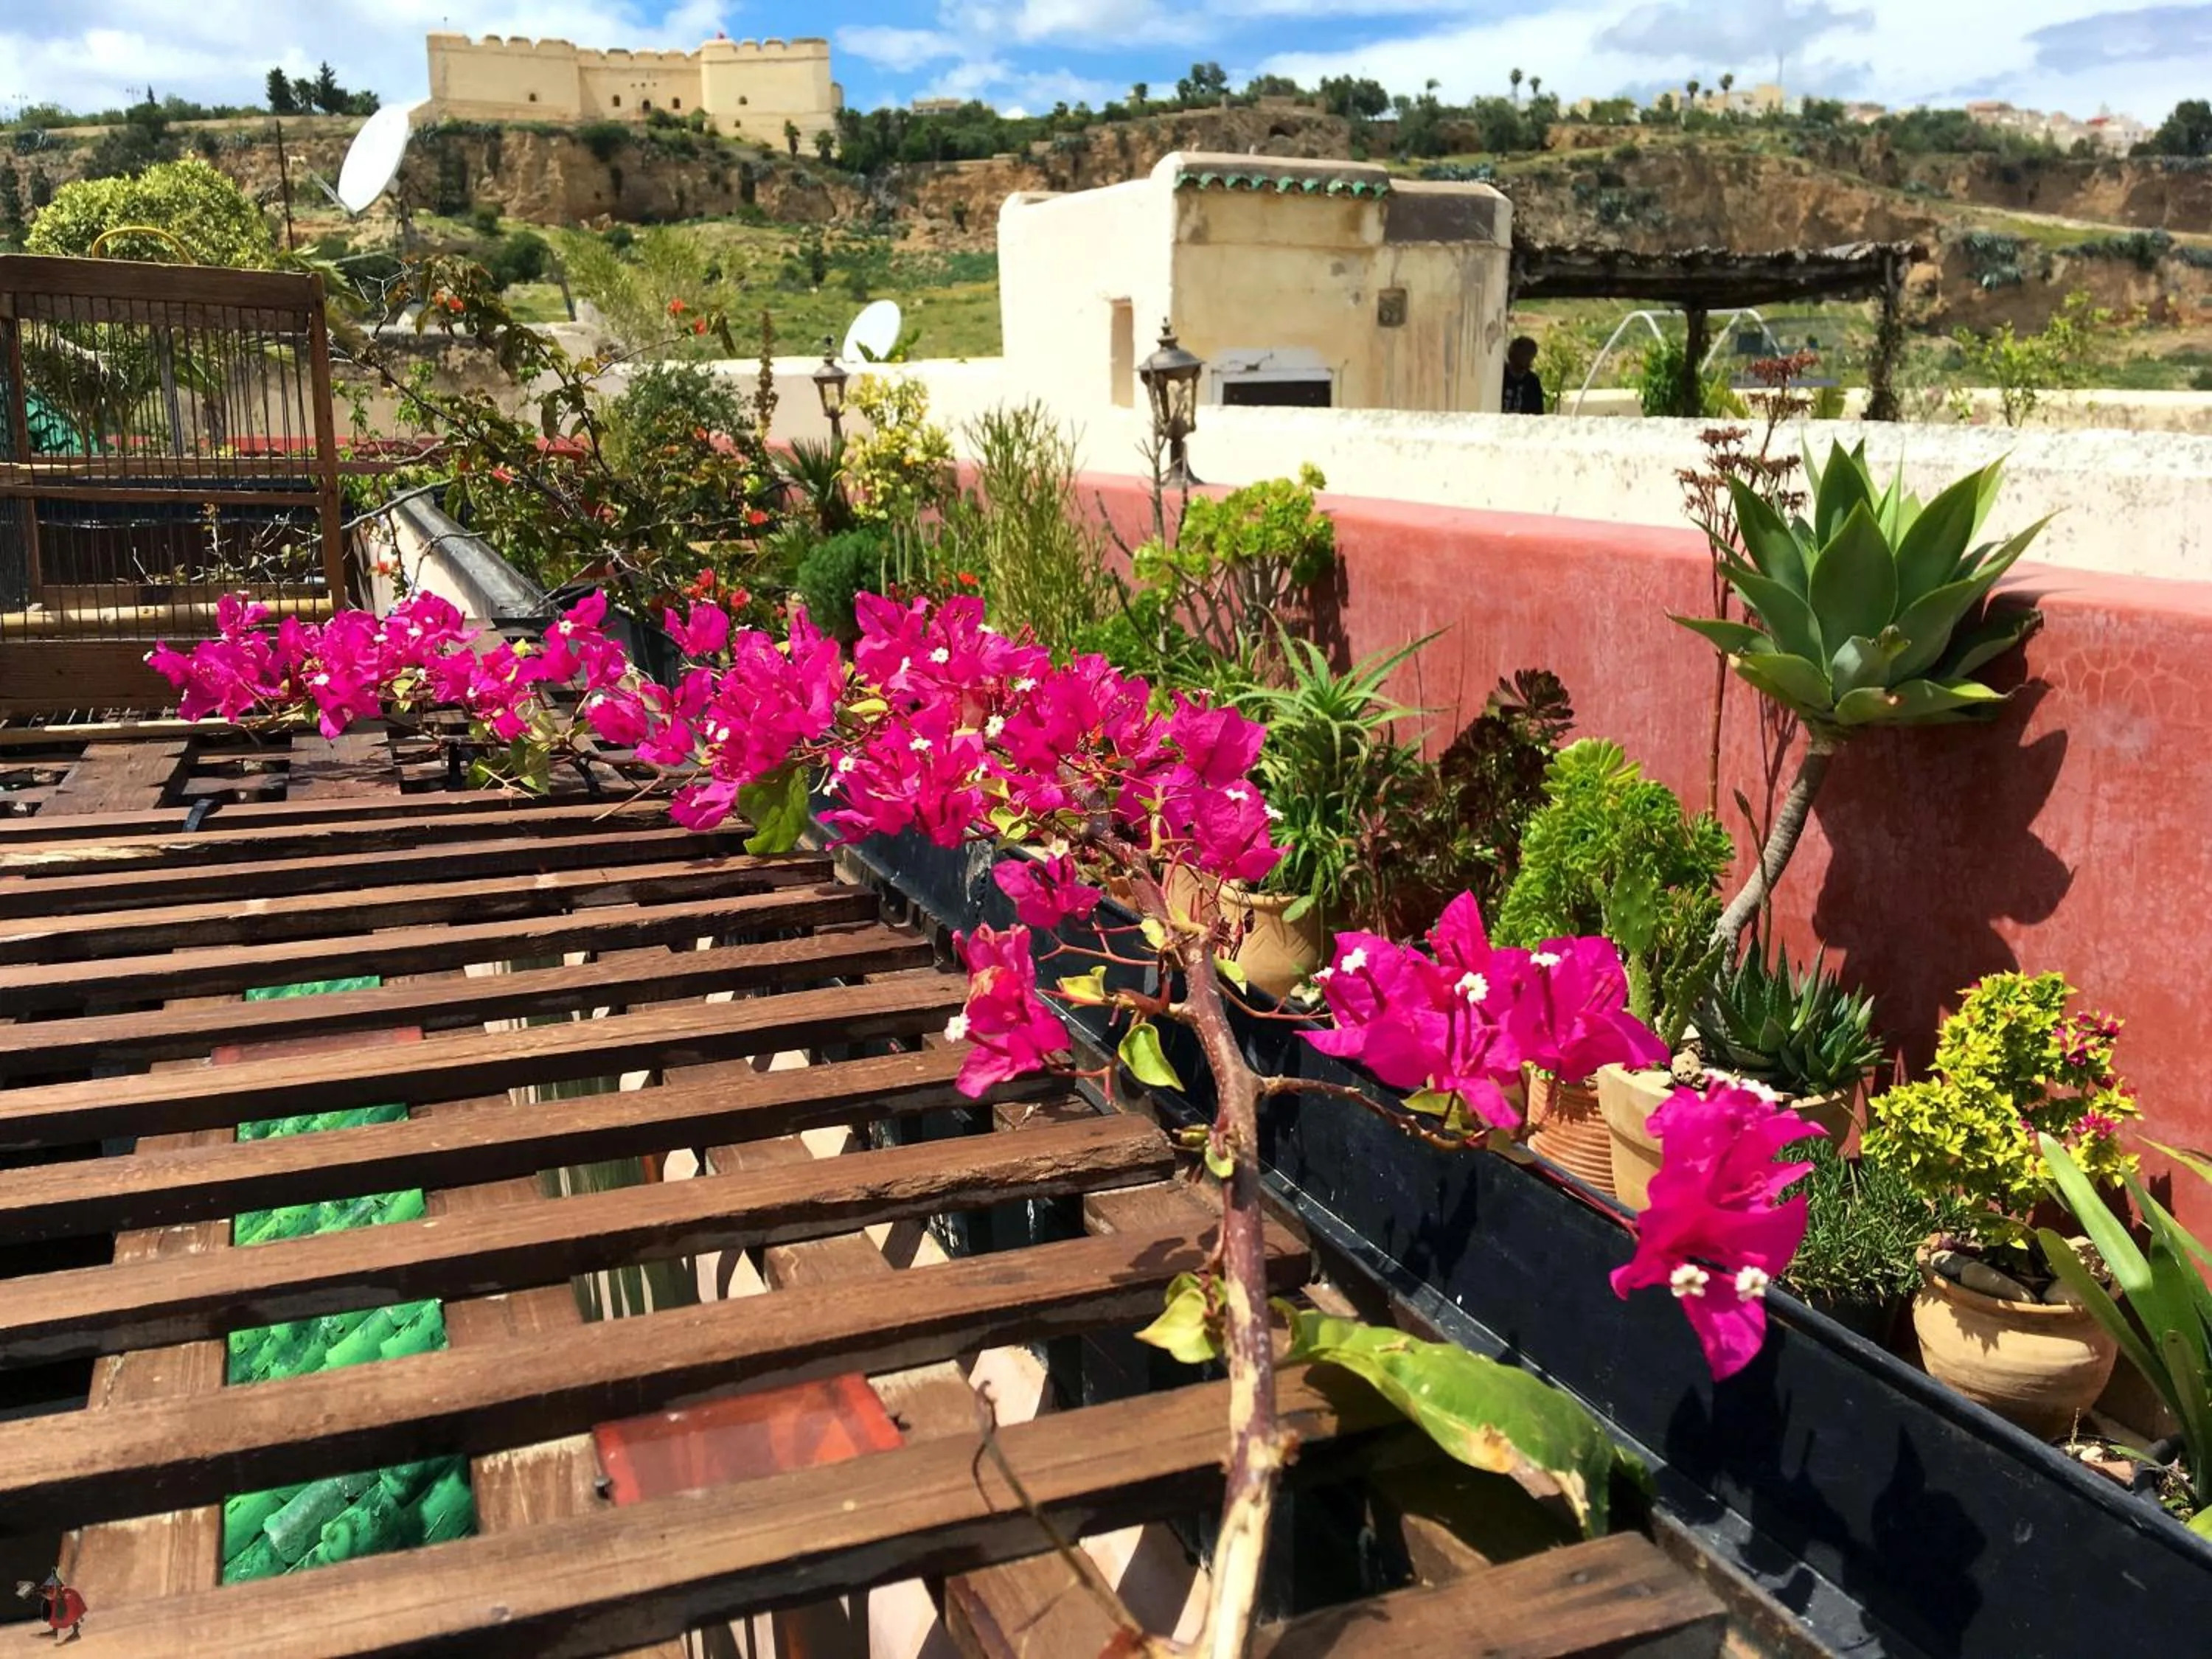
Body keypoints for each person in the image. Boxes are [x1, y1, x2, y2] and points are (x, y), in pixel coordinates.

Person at [1501, 335, 1545, 414]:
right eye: (1525, 354)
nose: (1528, 360)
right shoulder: (1500, 376)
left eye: (1531, 356)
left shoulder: (1533, 382)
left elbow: (1538, 413)